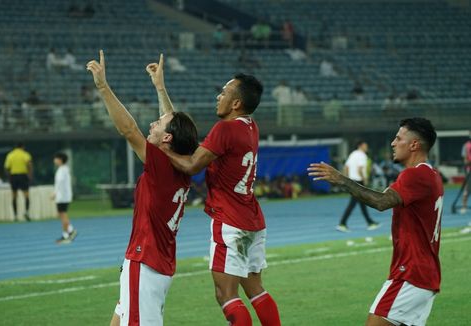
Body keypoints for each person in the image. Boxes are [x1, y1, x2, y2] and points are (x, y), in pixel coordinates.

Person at [87, 51, 198, 326]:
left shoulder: (162, 166)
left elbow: (129, 130)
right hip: (155, 265)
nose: (153, 122)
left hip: (145, 265)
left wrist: (103, 86)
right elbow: (172, 124)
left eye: (158, 124)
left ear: (167, 138)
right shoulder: (181, 164)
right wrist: (160, 87)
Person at [161, 73, 281, 325]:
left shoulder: (224, 129)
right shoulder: (251, 126)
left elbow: (192, 164)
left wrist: (160, 149)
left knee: (225, 294)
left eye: (224, 92)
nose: (219, 96)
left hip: (230, 221)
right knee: (256, 289)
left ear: (236, 103)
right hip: (253, 219)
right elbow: (201, 152)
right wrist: (161, 88)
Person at [308, 117, 443, 326]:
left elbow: (381, 202)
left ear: (414, 144)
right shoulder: (432, 175)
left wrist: (341, 180)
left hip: (410, 274)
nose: (393, 143)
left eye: (398, 138)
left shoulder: (415, 175)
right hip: (425, 275)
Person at [335, 140, 380, 232]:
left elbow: (346, 167)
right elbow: (360, 169)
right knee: (353, 203)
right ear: (360, 146)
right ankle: (342, 223)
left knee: (362, 203)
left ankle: (370, 222)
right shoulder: (362, 156)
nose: (366, 147)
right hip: (359, 181)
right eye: (365, 145)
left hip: (352, 181)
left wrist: (346, 180)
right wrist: (365, 180)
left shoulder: (353, 154)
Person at [52, 152, 77, 244]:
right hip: (63, 196)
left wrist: (55, 193)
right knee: (62, 215)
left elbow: (60, 183)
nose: (54, 160)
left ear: (60, 160)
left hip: (62, 196)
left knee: (63, 215)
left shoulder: (62, 170)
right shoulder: (64, 169)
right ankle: (71, 230)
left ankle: (66, 235)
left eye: (56, 158)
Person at [4, 142, 32, 221]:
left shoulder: (10, 155)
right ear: (23, 147)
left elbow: (6, 168)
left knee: (14, 196)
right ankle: (26, 212)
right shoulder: (25, 154)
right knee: (26, 195)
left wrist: (9, 177)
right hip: (23, 175)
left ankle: (15, 215)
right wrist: (30, 174)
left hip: (14, 176)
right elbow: (29, 164)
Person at [460, 132, 471, 214]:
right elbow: (465, 160)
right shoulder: (466, 146)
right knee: (467, 189)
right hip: (469, 170)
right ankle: (464, 207)